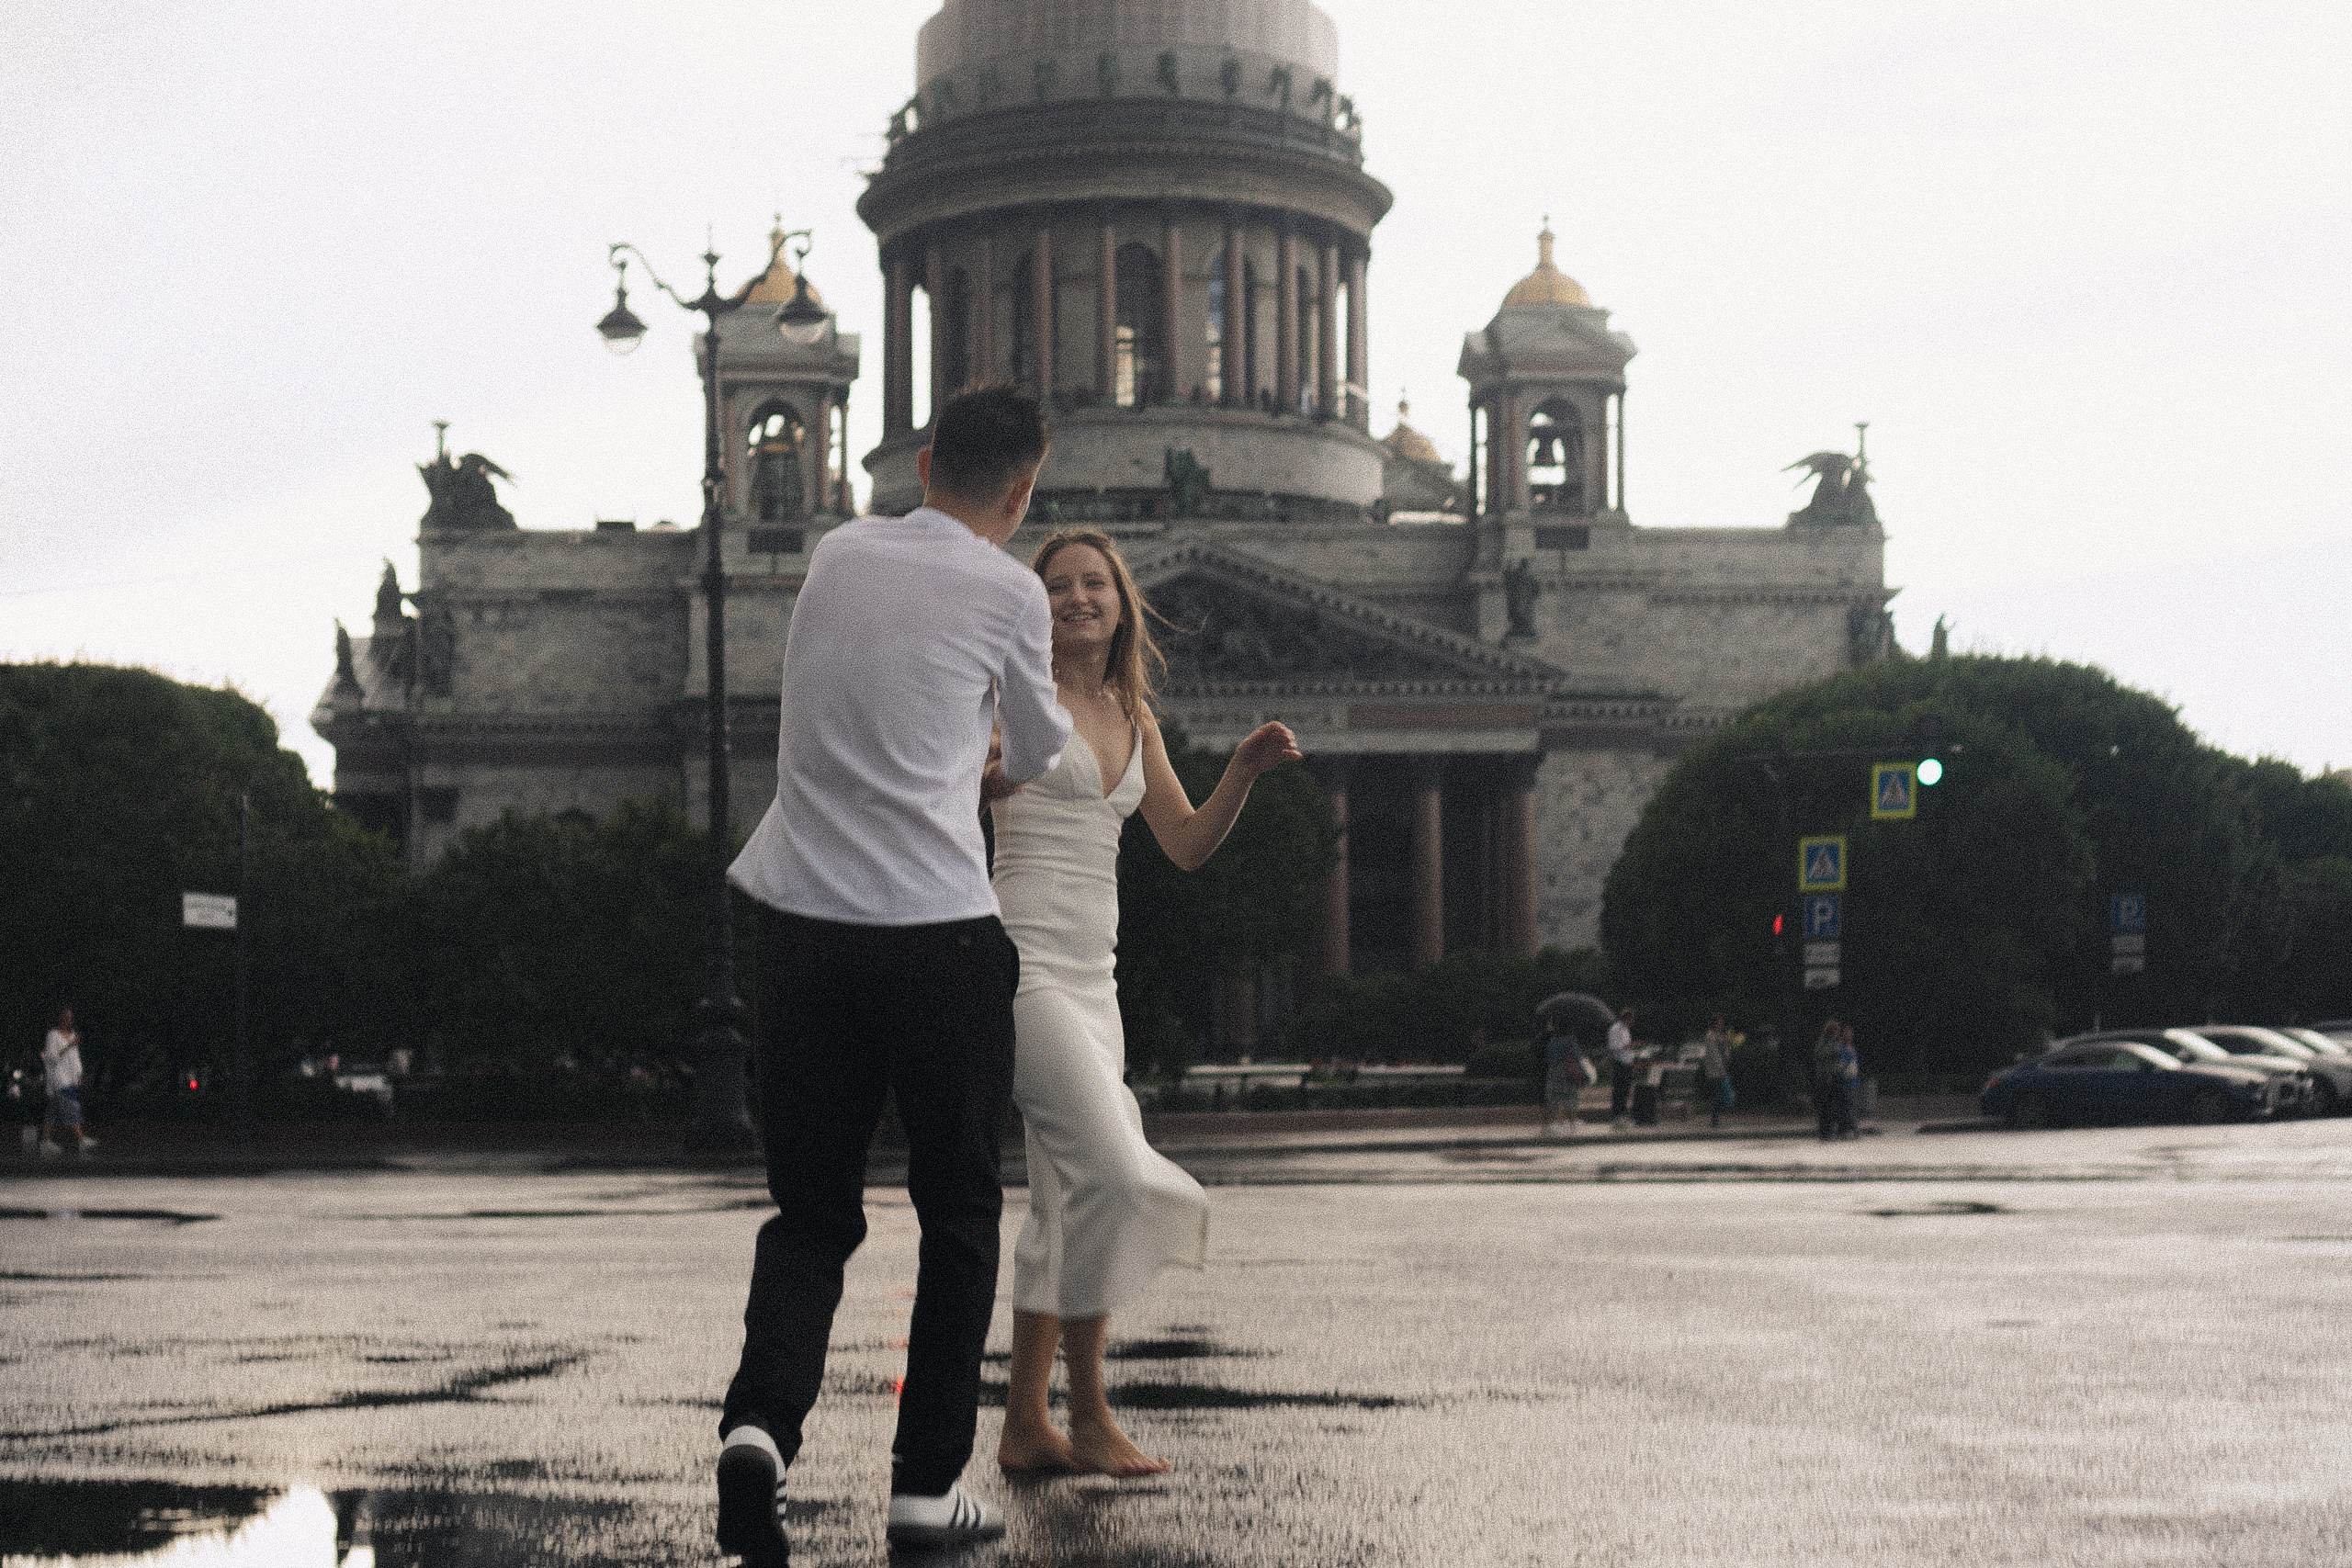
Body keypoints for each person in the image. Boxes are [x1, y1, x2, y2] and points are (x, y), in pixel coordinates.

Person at [714, 384, 1073, 1563]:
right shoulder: (1014, 590)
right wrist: (972, 748)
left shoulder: (835, 553)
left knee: (811, 1212)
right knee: (959, 1211)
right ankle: (925, 1486)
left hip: (799, 928)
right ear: (1021, 491)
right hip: (937, 933)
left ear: (924, 463)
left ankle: (761, 1428)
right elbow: (1040, 747)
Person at [992, 529, 1301, 1478]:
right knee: (1115, 1179)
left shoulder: (1133, 715)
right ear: (1030, 605)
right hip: (1020, 965)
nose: (1077, 598)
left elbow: (1184, 844)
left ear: (1123, 604)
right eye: (1057, 586)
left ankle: (1025, 1427)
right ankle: (1086, 1411)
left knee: (1058, 1205)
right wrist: (986, 772)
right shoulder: (1005, 696)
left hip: (1095, 979)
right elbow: (950, 786)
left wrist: (1241, 774)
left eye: (1094, 584)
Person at [40, 1008, 95, 1157]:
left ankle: (45, 1142)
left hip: (70, 1078)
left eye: (70, 1018)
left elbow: (75, 1058)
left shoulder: (73, 1035)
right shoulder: (53, 1035)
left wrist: (79, 1075)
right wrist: (69, 1045)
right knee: (71, 1107)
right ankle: (81, 1139)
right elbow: (51, 1057)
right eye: (65, 1017)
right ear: (59, 1018)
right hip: (59, 1078)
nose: (67, 1020)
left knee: (53, 1111)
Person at [1541, 1023, 1589, 1135]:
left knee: (1553, 1098)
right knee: (1571, 1097)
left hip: (1553, 1071)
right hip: (1567, 1072)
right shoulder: (1570, 1040)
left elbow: (1548, 1056)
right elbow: (1577, 1056)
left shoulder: (1552, 1041)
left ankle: (1548, 1125)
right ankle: (1572, 1122)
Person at [1605, 1006, 1638, 1127]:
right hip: (1619, 1063)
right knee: (1619, 1090)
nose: (1633, 1022)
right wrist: (1629, 1046)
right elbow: (1613, 1046)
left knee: (1626, 1090)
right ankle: (1616, 1115)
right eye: (1632, 1019)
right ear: (1627, 1018)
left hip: (1627, 1063)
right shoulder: (1616, 1029)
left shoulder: (1625, 1030)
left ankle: (1623, 1113)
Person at [1700, 1016, 1734, 1130]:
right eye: (1719, 1023)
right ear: (1714, 1024)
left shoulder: (1720, 1036)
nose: (1721, 1025)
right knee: (1717, 1094)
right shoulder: (1710, 1037)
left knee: (1719, 1094)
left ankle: (1716, 1117)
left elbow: (1725, 1052)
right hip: (1714, 1071)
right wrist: (1721, 1068)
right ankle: (1715, 1119)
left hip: (1722, 1069)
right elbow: (1714, 1055)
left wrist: (1726, 1044)